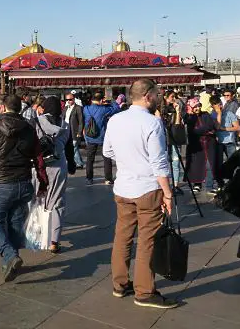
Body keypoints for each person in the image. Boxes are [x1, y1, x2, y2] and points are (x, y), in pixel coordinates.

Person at [103, 78, 177, 309]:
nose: (159, 98)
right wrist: (167, 193)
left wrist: (128, 161)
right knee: (147, 240)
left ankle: (120, 284)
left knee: (122, 236)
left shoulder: (115, 119)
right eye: (156, 94)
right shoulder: (152, 123)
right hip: (147, 189)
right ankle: (144, 292)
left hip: (123, 187)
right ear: (147, 95)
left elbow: (107, 150)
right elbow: (159, 162)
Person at [0, 94, 49, 282]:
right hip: (24, 183)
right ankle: (10, 261)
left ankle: (9, 255)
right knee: (15, 222)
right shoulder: (29, 128)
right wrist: (43, 182)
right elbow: (38, 158)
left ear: (3, 108)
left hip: (3, 183)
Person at [32, 97, 70, 254]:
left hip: (38, 166)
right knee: (56, 202)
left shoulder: (36, 121)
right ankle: (54, 241)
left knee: (37, 199)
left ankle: (37, 234)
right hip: (58, 166)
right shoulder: (65, 125)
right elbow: (69, 148)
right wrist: (72, 165)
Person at [83, 92, 121, 185]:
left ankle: (89, 178)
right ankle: (108, 179)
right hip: (102, 137)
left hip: (90, 137)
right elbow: (116, 109)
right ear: (101, 100)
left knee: (90, 159)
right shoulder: (104, 109)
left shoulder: (86, 109)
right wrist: (111, 102)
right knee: (106, 158)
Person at [184, 99, 217, 193]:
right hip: (196, 145)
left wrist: (200, 130)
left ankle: (210, 186)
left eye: (199, 106)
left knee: (210, 165)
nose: (198, 108)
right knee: (196, 165)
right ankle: (197, 184)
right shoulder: (188, 117)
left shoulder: (205, 114)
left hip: (209, 143)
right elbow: (191, 131)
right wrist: (204, 131)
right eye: (195, 106)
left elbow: (211, 126)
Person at [210, 95, 240, 194]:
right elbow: (217, 127)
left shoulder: (230, 114)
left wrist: (225, 129)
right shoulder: (212, 115)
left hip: (229, 142)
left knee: (232, 163)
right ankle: (219, 183)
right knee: (218, 164)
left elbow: (237, 127)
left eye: (220, 104)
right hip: (218, 143)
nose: (219, 107)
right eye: (216, 106)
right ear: (212, 106)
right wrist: (218, 113)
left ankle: (232, 183)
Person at [161, 91, 185, 194]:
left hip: (173, 137)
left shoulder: (175, 108)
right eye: (172, 97)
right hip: (163, 137)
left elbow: (177, 124)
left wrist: (178, 111)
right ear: (165, 97)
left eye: (174, 96)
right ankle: (164, 186)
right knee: (164, 163)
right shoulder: (159, 109)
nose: (173, 98)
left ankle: (175, 185)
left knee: (176, 161)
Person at [62, 93, 85, 170]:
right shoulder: (65, 108)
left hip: (74, 131)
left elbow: (81, 121)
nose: (69, 101)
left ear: (74, 99)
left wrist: (79, 132)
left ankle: (79, 163)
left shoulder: (78, 108)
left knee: (74, 147)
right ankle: (79, 162)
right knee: (73, 148)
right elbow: (62, 118)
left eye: (70, 99)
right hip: (66, 130)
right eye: (67, 100)